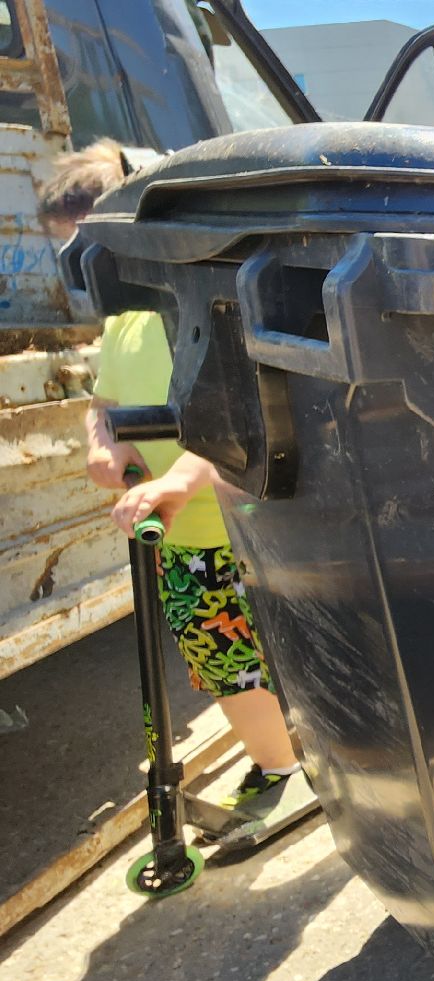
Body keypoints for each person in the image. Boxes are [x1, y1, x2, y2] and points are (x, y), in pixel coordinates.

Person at [46, 140, 306, 821]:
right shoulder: (122, 320)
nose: (85, 276)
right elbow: (101, 406)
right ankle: (279, 759)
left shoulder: (189, 308)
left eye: (89, 254)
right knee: (217, 661)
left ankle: (295, 765)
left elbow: (228, 417)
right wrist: (103, 447)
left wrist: (178, 483)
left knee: (270, 654)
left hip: (235, 525)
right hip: (179, 533)